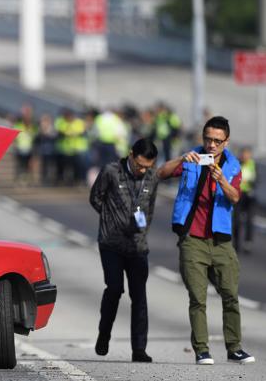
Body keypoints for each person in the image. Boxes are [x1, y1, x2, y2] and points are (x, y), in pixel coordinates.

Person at [157, 116, 255, 365]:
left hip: (220, 241)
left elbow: (235, 198)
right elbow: (161, 173)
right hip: (193, 239)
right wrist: (182, 159)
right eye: (208, 139)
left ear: (226, 142)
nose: (211, 145)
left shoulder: (233, 166)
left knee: (230, 295)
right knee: (198, 298)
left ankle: (234, 348)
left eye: (217, 141)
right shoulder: (192, 158)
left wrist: (221, 179)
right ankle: (202, 349)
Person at [89, 138, 159, 363]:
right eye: (139, 165)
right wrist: (110, 218)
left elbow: (149, 209)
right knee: (114, 288)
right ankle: (104, 333)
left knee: (139, 296)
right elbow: (95, 198)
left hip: (138, 246)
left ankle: (139, 349)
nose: (142, 170)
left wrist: (142, 230)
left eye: (147, 166)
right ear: (131, 155)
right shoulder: (111, 171)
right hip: (111, 243)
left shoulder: (152, 177)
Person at [233, 147, 257, 253]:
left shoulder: (253, 165)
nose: (244, 156)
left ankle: (248, 242)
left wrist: (252, 185)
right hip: (238, 195)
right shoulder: (237, 164)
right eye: (243, 154)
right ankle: (236, 243)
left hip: (250, 196)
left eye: (247, 154)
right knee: (236, 220)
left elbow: (257, 180)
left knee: (250, 220)